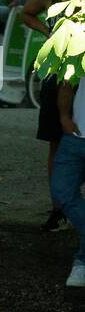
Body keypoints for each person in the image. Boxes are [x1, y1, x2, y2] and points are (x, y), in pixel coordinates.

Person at [22, 0, 82, 232]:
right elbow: (26, 14)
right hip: (55, 72)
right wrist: (48, 33)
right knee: (55, 140)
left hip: (81, 73)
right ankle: (58, 207)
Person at [51, 76, 85, 288]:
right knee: (61, 190)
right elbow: (67, 82)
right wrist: (64, 117)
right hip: (76, 135)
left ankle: (81, 262)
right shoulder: (79, 45)